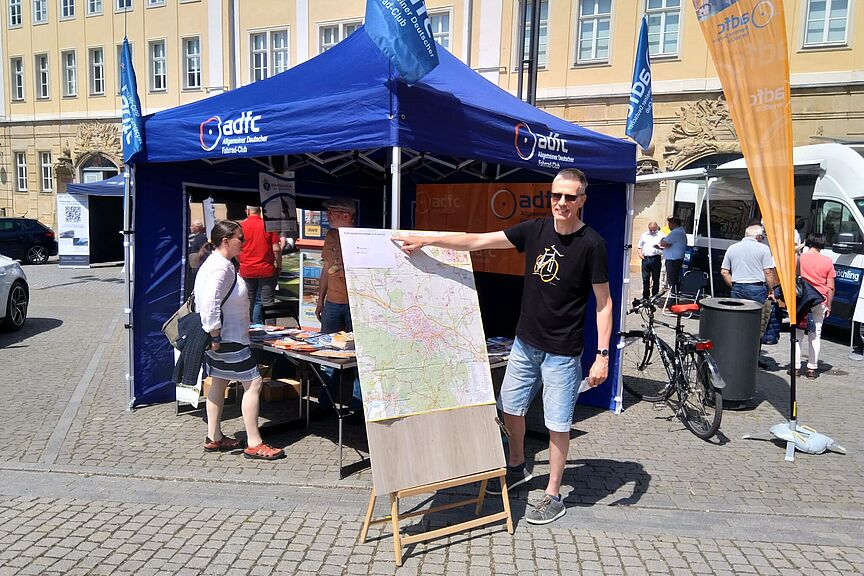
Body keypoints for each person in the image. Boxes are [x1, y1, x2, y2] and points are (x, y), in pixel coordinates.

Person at [396, 168, 612, 526]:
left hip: (562, 351)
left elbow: (603, 304)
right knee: (509, 408)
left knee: (557, 424)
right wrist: (426, 240)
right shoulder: (534, 230)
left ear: (582, 200)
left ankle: (553, 494)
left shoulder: (593, 244)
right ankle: (516, 464)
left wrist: (602, 356)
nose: (561, 203)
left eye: (570, 197)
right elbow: (476, 241)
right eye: (556, 195)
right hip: (525, 344)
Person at [195, 220, 285, 460]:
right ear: (226, 241)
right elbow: (210, 303)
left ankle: (214, 437)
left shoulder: (218, 263)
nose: (244, 243)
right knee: (253, 383)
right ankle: (254, 442)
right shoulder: (220, 267)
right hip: (227, 337)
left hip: (224, 335)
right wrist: (214, 333)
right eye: (240, 238)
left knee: (219, 381)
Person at [315, 197, 363, 417]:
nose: (328, 216)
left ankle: (358, 406)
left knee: (357, 357)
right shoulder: (331, 236)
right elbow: (326, 268)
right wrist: (320, 299)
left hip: (355, 304)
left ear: (346, 216)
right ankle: (325, 404)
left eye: (332, 213)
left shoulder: (361, 239)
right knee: (326, 353)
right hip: (333, 304)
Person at [720, 225, 778, 368]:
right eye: (762, 237)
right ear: (758, 237)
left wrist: (734, 286)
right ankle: (752, 359)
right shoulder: (763, 249)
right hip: (756, 288)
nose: (763, 240)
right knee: (755, 326)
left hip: (737, 287)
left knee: (736, 324)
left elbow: (724, 272)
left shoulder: (732, 248)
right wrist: (771, 291)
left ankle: (734, 356)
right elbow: (769, 272)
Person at [794, 232, 836, 379]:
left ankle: (796, 367)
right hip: (819, 301)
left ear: (808, 242)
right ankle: (811, 368)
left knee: (798, 334)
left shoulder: (799, 258)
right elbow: (830, 287)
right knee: (815, 335)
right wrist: (829, 305)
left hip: (801, 300)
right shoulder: (827, 261)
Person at [239, 206, 282, 325]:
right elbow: (276, 249)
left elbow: (236, 249)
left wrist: (241, 261)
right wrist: (279, 266)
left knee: (248, 301)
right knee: (267, 302)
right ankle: (271, 331)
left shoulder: (240, 227)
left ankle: (248, 328)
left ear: (247, 211)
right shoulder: (268, 225)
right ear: (260, 211)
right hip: (266, 269)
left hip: (247, 269)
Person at [658, 216, 686, 296]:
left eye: (669, 224)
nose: (669, 226)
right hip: (675, 259)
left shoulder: (676, 232)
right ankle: (673, 300)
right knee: (673, 281)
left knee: (672, 282)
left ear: (673, 224)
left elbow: (664, 243)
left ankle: (672, 301)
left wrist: (662, 239)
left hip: (673, 260)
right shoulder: (680, 231)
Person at [636, 221, 664, 301]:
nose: (652, 231)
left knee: (656, 278)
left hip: (656, 258)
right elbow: (639, 246)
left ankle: (655, 296)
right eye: (650, 230)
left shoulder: (661, 235)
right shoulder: (644, 235)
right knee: (645, 279)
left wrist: (659, 249)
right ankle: (645, 296)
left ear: (656, 228)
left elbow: (665, 247)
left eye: (654, 230)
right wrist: (640, 254)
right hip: (646, 259)